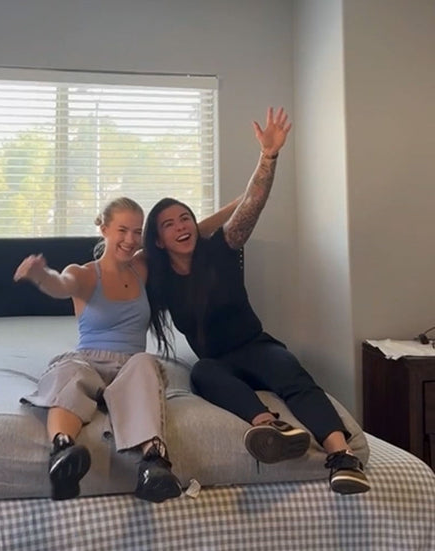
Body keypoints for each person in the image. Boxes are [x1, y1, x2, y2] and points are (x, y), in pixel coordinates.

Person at [143, 107, 370, 496]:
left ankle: (342, 456)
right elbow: (115, 273)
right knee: (202, 374)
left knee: (293, 374)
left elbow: (252, 205)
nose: (181, 226)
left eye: (186, 218)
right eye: (169, 224)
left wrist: (268, 156)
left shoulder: (222, 248)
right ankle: (270, 427)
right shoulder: (158, 282)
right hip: (217, 362)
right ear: (159, 241)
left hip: (256, 346)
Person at [13, 197, 183, 503]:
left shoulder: (142, 267)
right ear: (103, 228)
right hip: (89, 362)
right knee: (68, 371)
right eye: (122, 230)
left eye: (137, 232)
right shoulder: (85, 274)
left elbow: (193, 232)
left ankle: (153, 464)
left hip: (130, 368)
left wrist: (242, 198)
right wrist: (40, 275)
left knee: (146, 363)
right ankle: (64, 452)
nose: (130, 240)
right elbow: (59, 284)